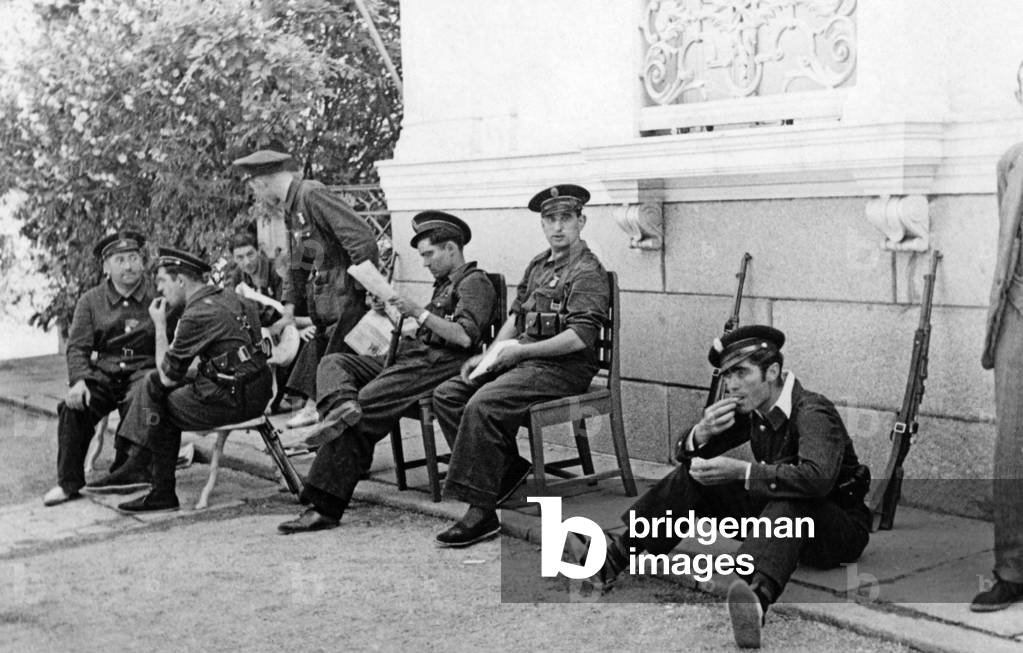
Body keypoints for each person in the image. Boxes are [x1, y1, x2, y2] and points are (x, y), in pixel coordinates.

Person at [568, 326, 871, 649]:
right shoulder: (755, 409)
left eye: (741, 372)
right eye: (727, 375)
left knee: (792, 494)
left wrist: (742, 472)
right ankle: (613, 558)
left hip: (838, 532)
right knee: (695, 477)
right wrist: (701, 432)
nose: (732, 385)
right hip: (785, 529)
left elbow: (816, 479)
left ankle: (754, 600)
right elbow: (685, 455)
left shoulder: (812, 411)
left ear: (772, 371)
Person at [277, 211, 498, 533]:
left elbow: (464, 337)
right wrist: (392, 313)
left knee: (362, 409)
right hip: (416, 358)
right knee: (335, 362)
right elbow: (423, 330)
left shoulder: (475, 282)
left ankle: (324, 504)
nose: (424, 263)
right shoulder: (444, 285)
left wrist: (419, 313)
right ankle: (339, 407)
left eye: (429, 254)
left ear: (451, 248)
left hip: (439, 366)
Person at [431, 184, 610, 547]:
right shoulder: (539, 265)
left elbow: (580, 338)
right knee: (449, 394)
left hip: (564, 369)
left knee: (484, 403)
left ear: (581, 221)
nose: (558, 227)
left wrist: (522, 354)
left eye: (566, 218)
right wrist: (490, 354)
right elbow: (516, 318)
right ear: (543, 225)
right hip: (527, 361)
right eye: (550, 220)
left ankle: (481, 512)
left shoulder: (587, 270)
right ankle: (509, 472)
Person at [84, 248, 273, 513]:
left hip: (233, 397)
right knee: (151, 384)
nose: (159, 290)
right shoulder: (231, 296)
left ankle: (156, 487)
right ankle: (133, 463)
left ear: (181, 280)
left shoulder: (195, 315)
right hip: (259, 389)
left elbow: (167, 375)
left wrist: (160, 326)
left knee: (160, 404)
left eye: (162, 281)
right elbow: (275, 319)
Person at [231, 143, 379, 428]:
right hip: (327, 305)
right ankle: (325, 429)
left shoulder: (311, 194)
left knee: (334, 376)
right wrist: (288, 308)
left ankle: (333, 436)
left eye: (256, 189)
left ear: (261, 182)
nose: (258, 195)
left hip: (346, 301)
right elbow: (299, 264)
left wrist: (367, 290)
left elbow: (362, 241)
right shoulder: (293, 207)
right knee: (323, 371)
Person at [42, 232, 157, 506]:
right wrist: (79, 381)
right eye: (120, 260)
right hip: (104, 374)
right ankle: (68, 483)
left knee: (144, 394)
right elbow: (78, 347)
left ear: (142, 262)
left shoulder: (159, 293)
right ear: (106, 267)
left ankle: (129, 470)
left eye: (133, 258)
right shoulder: (91, 301)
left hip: (144, 372)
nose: (128, 266)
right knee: (72, 407)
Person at [974, 61, 1023, 612]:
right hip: (1018, 310)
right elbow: (1005, 248)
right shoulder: (1011, 162)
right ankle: (1012, 569)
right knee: (1013, 442)